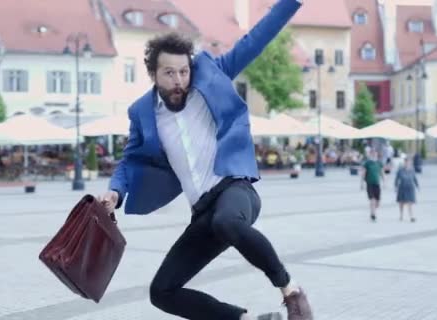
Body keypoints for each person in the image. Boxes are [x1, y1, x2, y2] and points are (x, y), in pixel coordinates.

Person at [98, 1, 312, 319]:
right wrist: (115, 192)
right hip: (202, 212)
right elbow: (129, 160)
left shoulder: (211, 75)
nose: (178, 80)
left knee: (226, 221)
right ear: (153, 74)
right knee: (162, 292)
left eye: (183, 71)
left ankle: (291, 291)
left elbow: (255, 40)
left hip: (235, 190)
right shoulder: (143, 113)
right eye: (169, 73)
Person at [360, 150, 385, 222]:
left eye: (375, 153)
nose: (374, 155)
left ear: (377, 154)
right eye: (372, 154)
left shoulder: (379, 163)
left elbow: (382, 173)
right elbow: (363, 173)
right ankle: (373, 214)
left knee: (377, 202)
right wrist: (362, 183)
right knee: (372, 199)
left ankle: (373, 210)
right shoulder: (367, 163)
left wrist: (384, 182)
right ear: (370, 154)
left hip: (377, 184)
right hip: (369, 184)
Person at [395, 157, 419, 222]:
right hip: (402, 188)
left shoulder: (412, 170)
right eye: (406, 162)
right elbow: (396, 179)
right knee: (401, 202)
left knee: (410, 202)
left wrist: (417, 185)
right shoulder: (400, 170)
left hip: (410, 188)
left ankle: (411, 216)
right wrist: (396, 187)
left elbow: (414, 178)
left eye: (409, 162)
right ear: (404, 162)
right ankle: (401, 215)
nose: (407, 163)